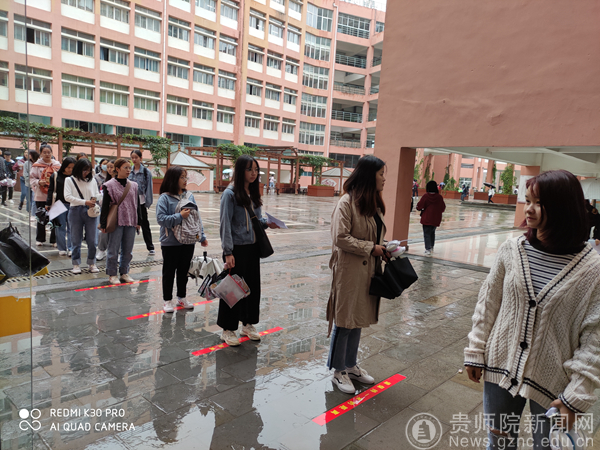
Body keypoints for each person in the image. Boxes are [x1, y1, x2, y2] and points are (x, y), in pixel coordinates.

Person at [464, 170, 600, 450]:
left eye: (539, 203)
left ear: (563, 207)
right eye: (527, 200)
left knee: (547, 446)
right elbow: (488, 303)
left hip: (556, 383)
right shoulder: (511, 250)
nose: (529, 209)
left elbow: (594, 339)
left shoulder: (592, 270)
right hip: (500, 367)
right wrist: (475, 350)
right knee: (499, 444)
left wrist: (577, 395)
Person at [326, 155, 388, 394]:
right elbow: (340, 238)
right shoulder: (346, 202)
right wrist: (371, 248)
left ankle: (350, 365)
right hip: (349, 272)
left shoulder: (372, 205)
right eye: (381, 174)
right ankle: (338, 371)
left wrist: (386, 248)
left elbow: (374, 236)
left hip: (368, 270)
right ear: (369, 175)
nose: (384, 179)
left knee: (357, 319)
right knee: (344, 321)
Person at [219, 155, 279, 346]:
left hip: (253, 248)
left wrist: (267, 223)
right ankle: (227, 328)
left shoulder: (253, 193)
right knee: (232, 289)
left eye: (256, 170)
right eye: (249, 169)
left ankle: (247, 324)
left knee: (252, 288)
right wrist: (228, 252)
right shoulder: (230, 194)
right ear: (240, 171)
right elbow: (225, 224)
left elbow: (256, 221)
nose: (254, 173)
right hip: (236, 249)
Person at [156, 166, 208, 312]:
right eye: (182, 177)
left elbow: (197, 218)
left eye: (186, 177)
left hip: (188, 240)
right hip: (170, 242)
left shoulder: (189, 196)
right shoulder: (164, 198)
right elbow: (161, 219)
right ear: (173, 179)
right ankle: (167, 300)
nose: (185, 180)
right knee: (169, 272)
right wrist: (180, 216)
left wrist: (201, 236)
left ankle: (182, 297)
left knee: (184, 270)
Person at [100, 158, 141, 285]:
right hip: (116, 221)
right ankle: (112, 274)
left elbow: (137, 204)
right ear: (117, 169)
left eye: (129, 168)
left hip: (131, 220)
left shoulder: (134, 185)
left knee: (128, 250)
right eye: (125, 168)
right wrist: (103, 223)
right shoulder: (109, 185)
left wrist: (139, 221)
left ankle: (124, 272)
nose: (128, 170)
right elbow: (105, 206)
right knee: (113, 249)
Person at [64, 158, 100, 274]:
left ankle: (92, 262)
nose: (86, 173)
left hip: (91, 210)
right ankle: (76, 264)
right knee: (76, 239)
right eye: (84, 170)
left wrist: (96, 198)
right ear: (78, 169)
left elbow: (97, 194)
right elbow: (67, 197)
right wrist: (85, 202)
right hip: (75, 210)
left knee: (92, 240)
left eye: (88, 170)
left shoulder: (92, 180)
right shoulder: (69, 180)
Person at [30, 143, 61, 246]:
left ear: (52, 153)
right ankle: (40, 239)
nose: (47, 154)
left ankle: (54, 240)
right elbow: (31, 178)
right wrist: (38, 182)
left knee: (55, 218)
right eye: (44, 152)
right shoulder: (36, 165)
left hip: (55, 196)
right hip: (41, 195)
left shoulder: (57, 165)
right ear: (41, 154)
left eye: (49, 152)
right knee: (41, 218)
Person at [46, 157, 76, 256]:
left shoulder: (75, 177)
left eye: (72, 168)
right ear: (64, 166)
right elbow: (51, 190)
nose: (70, 170)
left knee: (72, 227)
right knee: (60, 227)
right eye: (68, 167)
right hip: (59, 204)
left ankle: (71, 248)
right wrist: (48, 203)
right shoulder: (55, 175)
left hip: (73, 204)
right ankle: (62, 248)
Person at [129, 149, 155, 255]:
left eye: (136, 157)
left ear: (141, 158)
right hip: (130, 201)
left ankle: (150, 247)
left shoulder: (146, 172)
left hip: (141, 201)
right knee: (129, 224)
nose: (134, 159)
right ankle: (127, 248)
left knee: (145, 224)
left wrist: (148, 201)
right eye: (132, 158)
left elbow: (149, 187)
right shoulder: (129, 170)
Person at [416, 180, 446, 256]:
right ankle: (431, 246)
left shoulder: (426, 196)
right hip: (436, 218)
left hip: (426, 218)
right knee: (432, 233)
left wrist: (419, 208)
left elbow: (420, 206)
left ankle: (428, 249)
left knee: (427, 233)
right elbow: (443, 208)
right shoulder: (439, 197)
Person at [96, 160, 115, 261]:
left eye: (111, 167)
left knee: (118, 232)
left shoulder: (124, 182)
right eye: (108, 167)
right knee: (103, 231)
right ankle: (102, 250)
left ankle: (118, 252)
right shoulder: (105, 182)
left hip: (118, 210)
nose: (109, 169)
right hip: (106, 209)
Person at [24, 150, 39, 221]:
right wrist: (30, 179)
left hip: (36, 184)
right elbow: (25, 174)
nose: (27, 155)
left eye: (29, 154)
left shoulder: (38, 163)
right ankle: (29, 211)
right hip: (28, 183)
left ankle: (33, 214)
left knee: (34, 199)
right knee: (28, 199)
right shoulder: (26, 163)